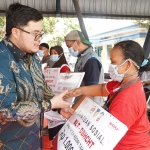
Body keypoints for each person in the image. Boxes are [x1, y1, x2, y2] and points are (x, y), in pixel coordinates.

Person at [0, 3, 73, 150]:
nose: (39, 39)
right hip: (10, 144)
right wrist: (51, 104)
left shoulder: (32, 57)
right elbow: (5, 111)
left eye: (41, 33)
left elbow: (42, 87)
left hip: (34, 139)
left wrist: (58, 108)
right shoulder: (2, 59)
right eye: (35, 34)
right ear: (16, 32)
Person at [64, 40, 150, 150]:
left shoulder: (126, 99)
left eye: (113, 61)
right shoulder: (125, 83)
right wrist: (81, 90)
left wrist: (79, 118)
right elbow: (101, 89)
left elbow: (106, 137)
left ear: (128, 64)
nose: (110, 66)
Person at [65, 30, 105, 106]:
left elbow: (91, 90)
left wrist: (74, 109)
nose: (69, 49)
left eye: (69, 46)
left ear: (77, 42)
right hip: (81, 103)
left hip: (89, 106)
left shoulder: (91, 60)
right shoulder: (82, 57)